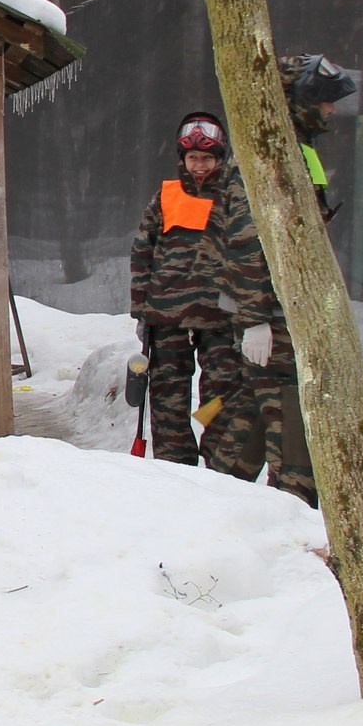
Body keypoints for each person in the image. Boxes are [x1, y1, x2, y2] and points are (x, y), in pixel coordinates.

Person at [129, 112, 248, 469]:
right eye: (194, 158)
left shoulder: (235, 198)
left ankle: (216, 467)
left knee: (221, 395)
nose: (200, 166)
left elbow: (250, 255)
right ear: (183, 158)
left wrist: (250, 313)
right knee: (168, 397)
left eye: (207, 158)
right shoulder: (164, 196)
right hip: (166, 317)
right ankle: (174, 468)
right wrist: (140, 311)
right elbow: (142, 251)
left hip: (221, 318)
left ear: (219, 159)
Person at [209, 149, 319, 506]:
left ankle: (212, 494)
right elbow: (246, 244)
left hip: (290, 310)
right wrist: (255, 318)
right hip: (273, 316)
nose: (332, 109)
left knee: (258, 408)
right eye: (326, 99)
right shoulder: (266, 153)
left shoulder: (296, 150)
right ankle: (294, 506)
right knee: (287, 409)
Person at [279, 53, 358, 223]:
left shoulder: (299, 144)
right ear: (308, 99)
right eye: (327, 100)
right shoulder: (280, 150)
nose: (332, 109)